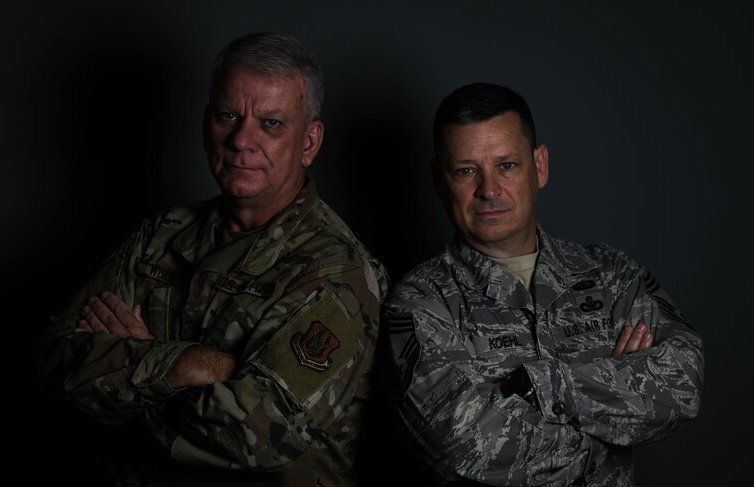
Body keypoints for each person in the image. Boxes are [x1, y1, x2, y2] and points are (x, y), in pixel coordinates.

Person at [36, 32, 388, 486]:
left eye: (272, 123)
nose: (243, 140)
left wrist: (132, 373)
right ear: (207, 125)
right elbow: (54, 361)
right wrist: (191, 364)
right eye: (229, 116)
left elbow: (259, 435)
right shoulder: (160, 236)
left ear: (309, 142)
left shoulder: (341, 274)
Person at [381, 82, 704, 486]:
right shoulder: (419, 305)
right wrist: (610, 413)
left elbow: (682, 386)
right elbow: (467, 447)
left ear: (541, 165)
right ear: (437, 179)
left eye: (507, 165)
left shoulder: (611, 276)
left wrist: (540, 387)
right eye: (466, 170)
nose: (489, 189)